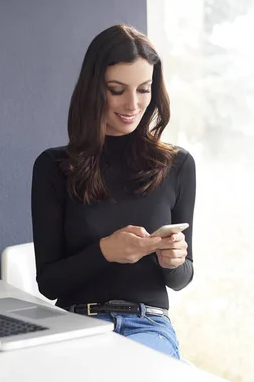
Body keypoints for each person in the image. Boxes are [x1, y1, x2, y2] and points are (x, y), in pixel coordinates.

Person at [30, 24, 196, 360]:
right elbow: (49, 283)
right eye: (117, 90)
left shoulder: (178, 165)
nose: (133, 104)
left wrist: (173, 259)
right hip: (77, 323)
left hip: (147, 325)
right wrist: (105, 251)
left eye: (144, 89)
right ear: (93, 89)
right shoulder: (53, 166)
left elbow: (182, 278)